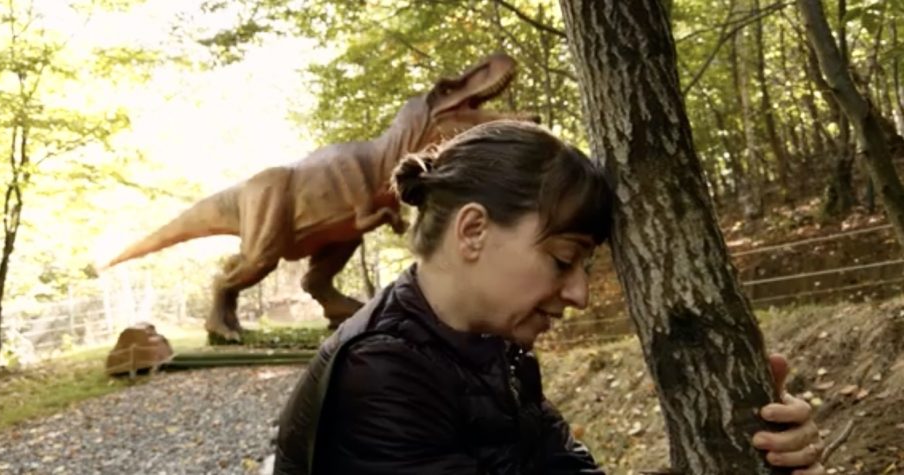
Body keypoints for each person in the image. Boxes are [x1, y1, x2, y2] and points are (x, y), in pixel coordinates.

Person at [273, 120, 823, 474]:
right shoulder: (381, 375)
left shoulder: (484, 345)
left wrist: (750, 453)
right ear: (472, 231)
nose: (579, 294)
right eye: (563, 259)